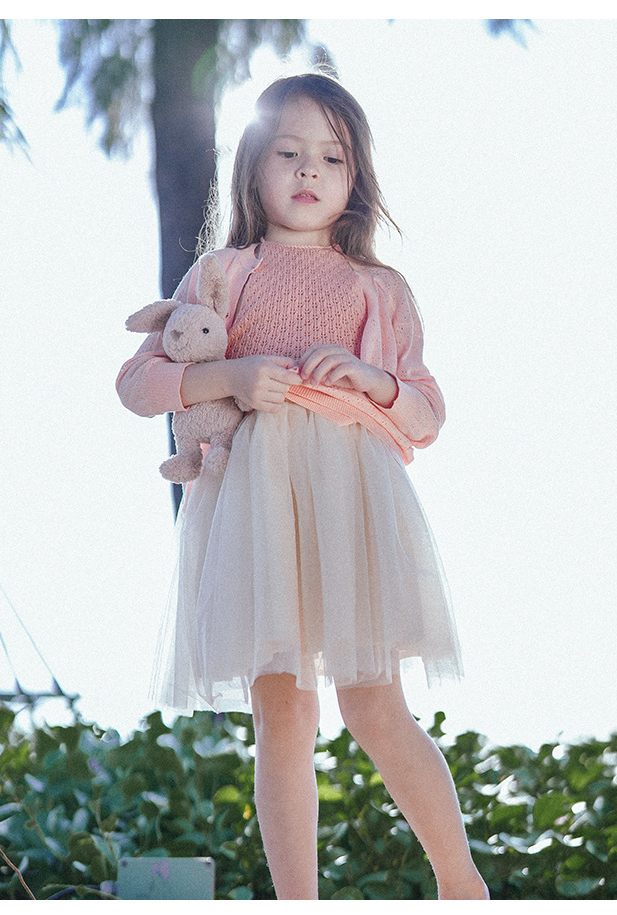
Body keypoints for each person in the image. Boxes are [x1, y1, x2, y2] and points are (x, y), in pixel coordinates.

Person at [117, 72, 489, 901]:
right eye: (288, 152)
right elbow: (138, 383)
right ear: (253, 169)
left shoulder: (377, 288)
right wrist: (231, 375)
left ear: (356, 178)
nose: (310, 169)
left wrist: (371, 378)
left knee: (375, 705)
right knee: (282, 715)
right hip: (256, 514)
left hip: (350, 505)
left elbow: (426, 412)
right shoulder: (223, 272)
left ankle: (462, 885)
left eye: (332, 156)